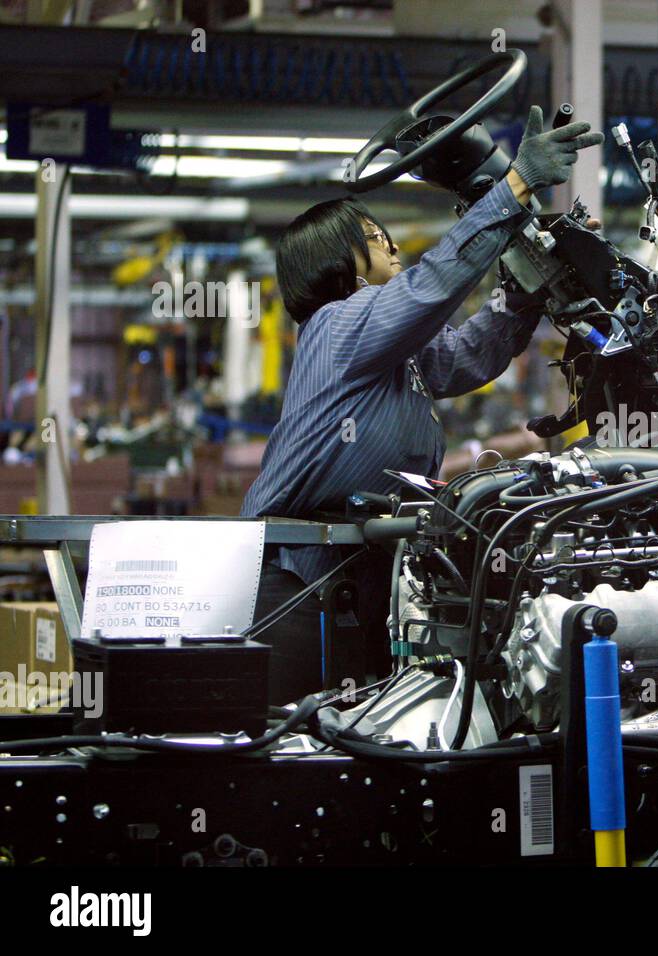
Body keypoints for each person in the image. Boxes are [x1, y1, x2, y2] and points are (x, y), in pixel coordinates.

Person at [241, 106, 604, 702]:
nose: (388, 241)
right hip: (292, 581)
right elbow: (430, 287)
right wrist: (512, 186)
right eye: (372, 237)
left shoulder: (391, 351)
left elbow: (467, 355)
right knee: (301, 737)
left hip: (358, 571)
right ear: (341, 263)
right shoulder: (337, 326)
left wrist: (523, 294)